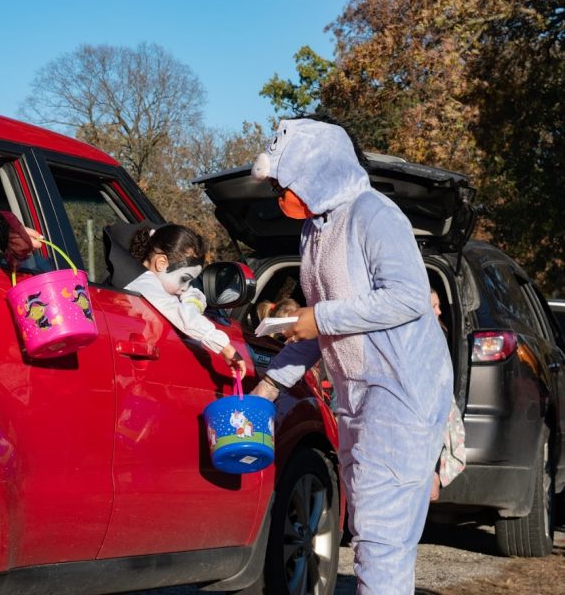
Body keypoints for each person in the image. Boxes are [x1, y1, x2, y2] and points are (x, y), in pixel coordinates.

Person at [249, 117, 452, 595]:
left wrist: (318, 319)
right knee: (369, 528)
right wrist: (269, 386)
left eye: (286, 181)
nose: (281, 193)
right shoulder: (315, 231)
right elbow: (316, 325)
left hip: (401, 389)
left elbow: (406, 296)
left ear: (319, 170)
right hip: (355, 395)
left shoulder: (373, 213)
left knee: (382, 536)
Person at [124, 224, 246, 378]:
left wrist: (192, 304)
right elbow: (182, 315)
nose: (185, 288)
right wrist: (226, 348)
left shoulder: (156, 280)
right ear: (161, 263)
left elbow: (193, 293)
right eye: (184, 279)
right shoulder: (144, 283)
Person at [430, 288, 466, 501]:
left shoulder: (439, 333)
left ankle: (434, 476)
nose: (440, 311)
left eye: (439, 305)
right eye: (433, 306)